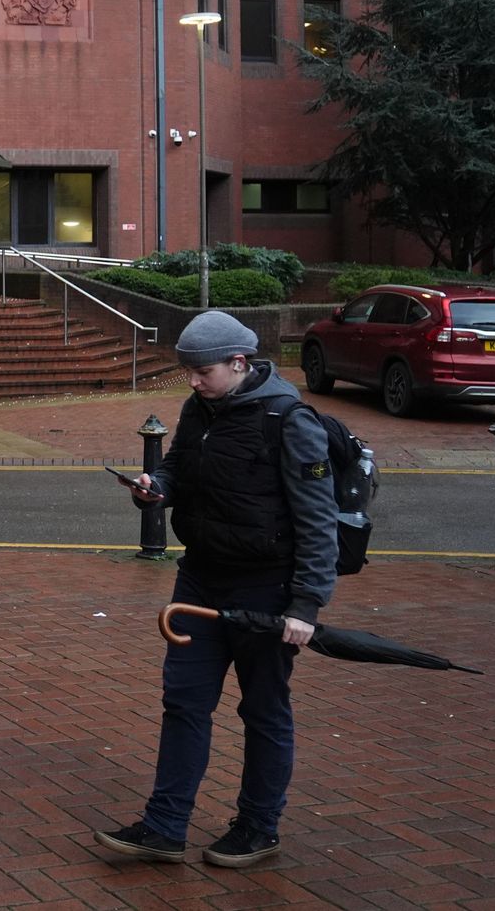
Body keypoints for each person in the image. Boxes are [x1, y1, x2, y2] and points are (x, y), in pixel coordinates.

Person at [96, 311, 338, 869]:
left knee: (263, 711)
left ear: (239, 363)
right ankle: (164, 828)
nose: (193, 381)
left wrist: (305, 604)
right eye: (187, 371)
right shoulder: (197, 409)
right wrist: (155, 489)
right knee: (184, 703)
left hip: (267, 590)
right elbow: (179, 466)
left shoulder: (288, 419)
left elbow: (317, 520)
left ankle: (258, 828)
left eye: (202, 371)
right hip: (199, 581)